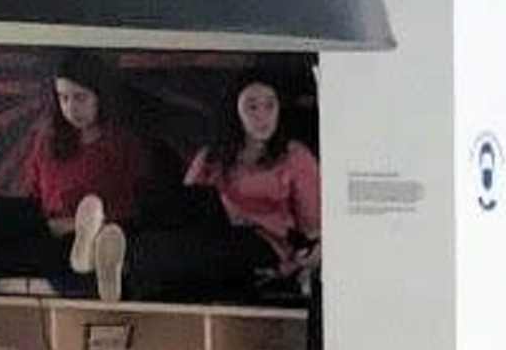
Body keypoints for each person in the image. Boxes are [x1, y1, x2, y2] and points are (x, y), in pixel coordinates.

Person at [20, 63, 158, 297]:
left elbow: (139, 202)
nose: (71, 108)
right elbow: (32, 199)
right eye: (64, 98)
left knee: (106, 230)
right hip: (55, 231)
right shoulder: (46, 144)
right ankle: (89, 255)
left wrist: (97, 223)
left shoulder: (123, 144)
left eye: (80, 98)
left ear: (99, 97)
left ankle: (93, 251)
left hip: (112, 228)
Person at [184, 69, 321, 289]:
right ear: (235, 111)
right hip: (212, 242)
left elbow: (314, 232)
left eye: (270, 106)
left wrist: (294, 265)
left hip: (268, 249)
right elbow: (185, 204)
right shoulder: (211, 157)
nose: (262, 116)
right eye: (252, 107)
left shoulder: (295, 157)